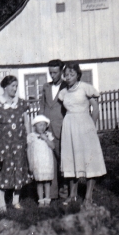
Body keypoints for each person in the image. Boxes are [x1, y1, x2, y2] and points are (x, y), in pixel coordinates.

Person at [58, 62, 106, 208]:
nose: (68, 77)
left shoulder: (85, 88)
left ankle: (88, 197)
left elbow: (95, 108)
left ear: (78, 75)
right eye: (66, 74)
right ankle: (73, 195)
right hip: (69, 127)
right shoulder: (63, 93)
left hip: (85, 126)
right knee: (72, 160)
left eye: (72, 74)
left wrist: (92, 125)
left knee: (89, 160)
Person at [0, 75, 31, 223]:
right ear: (5, 87)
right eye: (12, 86)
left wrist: (29, 137)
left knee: (19, 169)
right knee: (0, 172)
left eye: (16, 86)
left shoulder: (21, 104)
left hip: (18, 143)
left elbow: (26, 122)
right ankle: (3, 204)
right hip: (2, 144)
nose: (15, 89)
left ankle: (16, 200)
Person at [39, 59, 67, 199]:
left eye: (55, 72)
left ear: (61, 71)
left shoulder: (67, 86)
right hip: (48, 130)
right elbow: (42, 106)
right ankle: (53, 193)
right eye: (50, 72)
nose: (52, 75)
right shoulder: (46, 87)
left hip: (62, 128)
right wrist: (41, 126)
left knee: (64, 160)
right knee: (51, 162)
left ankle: (65, 189)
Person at [27, 115, 55, 207]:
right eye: (40, 125)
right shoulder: (31, 136)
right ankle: (41, 201)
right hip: (37, 162)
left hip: (46, 162)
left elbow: (53, 146)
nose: (42, 127)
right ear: (35, 126)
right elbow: (29, 150)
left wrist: (46, 139)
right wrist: (30, 163)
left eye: (44, 125)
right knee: (39, 182)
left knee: (47, 182)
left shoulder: (48, 135)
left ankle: (47, 200)